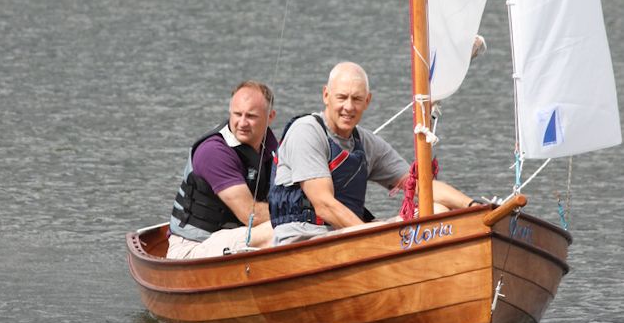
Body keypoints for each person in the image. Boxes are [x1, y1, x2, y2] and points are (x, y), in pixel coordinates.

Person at [269, 61, 472, 245]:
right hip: (304, 239)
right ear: (326, 95)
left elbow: (421, 186)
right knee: (382, 231)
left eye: (357, 99)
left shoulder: (366, 143)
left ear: (367, 101)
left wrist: (472, 205)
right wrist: (370, 240)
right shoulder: (306, 131)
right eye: (342, 97)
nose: (348, 107)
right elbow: (324, 205)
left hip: (348, 236)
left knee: (438, 212)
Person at [167, 80, 278, 259]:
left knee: (305, 227)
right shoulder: (213, 151)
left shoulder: (272, 148)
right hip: (192, 248)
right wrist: (301, 216)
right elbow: (252, 217)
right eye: (237, 114)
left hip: (230, 239)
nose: (242, 123)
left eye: (251, 116)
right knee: (283, 230)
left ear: (270, 117)